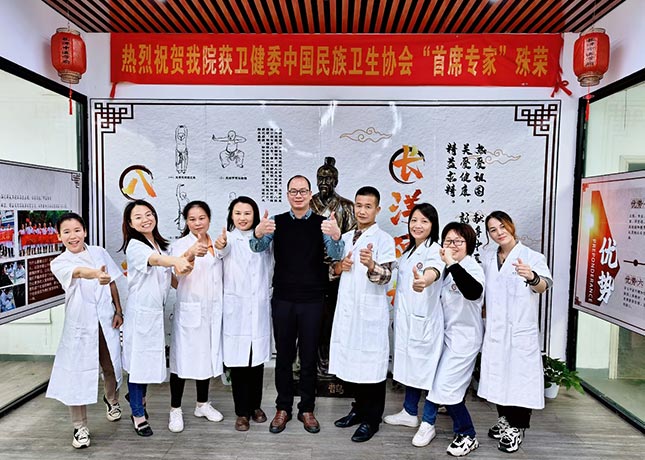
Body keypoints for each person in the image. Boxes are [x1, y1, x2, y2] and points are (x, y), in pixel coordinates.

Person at [250, 175, 343, 434]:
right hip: (283, 298)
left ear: (310, 194)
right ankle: (283, 408)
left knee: (309, 357)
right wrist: (258, 232)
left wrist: (336, 237)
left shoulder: (323, 223)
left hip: (313, 299)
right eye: (294, 191)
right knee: (284, 357)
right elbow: (257, 247)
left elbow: (336, 255)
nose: (298, 195)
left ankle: (307, 409)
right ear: (288, 195)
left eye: (303, 191)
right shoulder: (276, 222)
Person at [478, 210, 553, 453]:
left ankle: (517, 427)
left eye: (502, 226)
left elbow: (544, 285)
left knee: (520, 380)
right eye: (492, 230)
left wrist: (531, 277)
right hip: (496, 330)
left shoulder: (532, 256)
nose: (499, 232)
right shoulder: (489, 258)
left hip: (520, 330)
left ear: (511, 226)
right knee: (499, 377)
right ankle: (505, 420)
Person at [48, 212, 124, 449]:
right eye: (67, 232)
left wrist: (119, 310)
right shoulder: (59, 262)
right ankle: (80, 427)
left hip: (105, 319)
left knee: (110, 365)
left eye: (77, 230)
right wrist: (96, 274)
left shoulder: (99, 252)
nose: (73, 236)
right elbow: (80, 272)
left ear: (85, 232)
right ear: (59, 236)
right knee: (77, 374)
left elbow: (112, 281)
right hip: (80, 324)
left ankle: (111, 400)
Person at [119, 199, 193, 437]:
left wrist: (189, 284)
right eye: (138, 217)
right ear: (130, 223)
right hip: (140, 314)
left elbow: (170, 277)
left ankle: (136, 398)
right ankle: (138, 414)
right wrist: (176, 261)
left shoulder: (160, 245)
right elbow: (156, 261)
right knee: (138, 366)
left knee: (147, 364)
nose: (145, 219)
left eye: (148, 214)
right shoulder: (135, 246)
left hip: (154, 315)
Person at [330, 186, 396, 443]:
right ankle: (357, 410)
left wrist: (370, 265)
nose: (362, 210)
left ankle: (372, 420)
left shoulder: (384, 240)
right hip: (349, 311)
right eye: (359, 205)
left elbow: (386, 277)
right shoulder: (346, 237)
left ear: (377, 209)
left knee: (372, 368)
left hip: (370, 314)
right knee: (352, 364)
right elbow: (332, 271)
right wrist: (340, 266)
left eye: (368, 206)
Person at [384, 203, 445, 448]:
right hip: (408, 322)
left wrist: (424, 281)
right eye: (414, 220)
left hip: (425, 323)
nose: (417, 225)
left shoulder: (435, 250)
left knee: (428, 373)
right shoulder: (409, 252)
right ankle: (409, 412)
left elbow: (433, 271)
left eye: (424, 221)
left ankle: (428, 423)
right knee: (412, 366)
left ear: (433, 225)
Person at [425, 222, 485, 457]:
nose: (453, 245)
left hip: (465, 339)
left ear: (468, 244)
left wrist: (451, 262)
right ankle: (459, 427)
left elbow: (473, 292)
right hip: (447, 337)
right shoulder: (446, 270)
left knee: (445, 386)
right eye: (448, 241)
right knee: (445, 386)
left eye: (459, 241)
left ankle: (468, 434)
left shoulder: (471, 267)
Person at [215, 196, 273, 431]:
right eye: (238, 213)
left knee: (256, 362)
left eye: (247, 213)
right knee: (239, 364)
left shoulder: (265, 239)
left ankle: (255, 406)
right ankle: (241, 412)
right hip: (236, 310)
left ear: (255, 215)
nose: (242, 218)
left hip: (258, 307)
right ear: (231, 216)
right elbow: (221, 251)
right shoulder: (228, 238)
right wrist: (220, 244)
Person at [167, 201, 224, 433]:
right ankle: (175, 409)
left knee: (205, 359)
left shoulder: (218, 244)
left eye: (201, 218)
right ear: (186, 222)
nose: (197, 223)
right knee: (181, 361)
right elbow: (175, 274)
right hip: (190, 309)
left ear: (209, 218)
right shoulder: (179, 245)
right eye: (192, 219)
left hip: (212, 311)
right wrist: (190, 254)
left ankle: (202, 404)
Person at [310, 156, 356, 376]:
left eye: (328, 179)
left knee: (332, 319)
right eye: (320, 178)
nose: (324, 183)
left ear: (336, 181)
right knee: (311, 320)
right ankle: (309, 360)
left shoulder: (346, 207)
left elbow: (353, 239)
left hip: (337, 272)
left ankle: (330, 359)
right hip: (310, 271)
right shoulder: (308, 205)